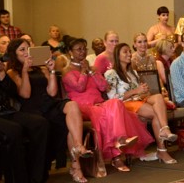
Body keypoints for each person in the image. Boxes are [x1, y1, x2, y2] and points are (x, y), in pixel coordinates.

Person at [6, 38, 92, 183]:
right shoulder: (12, 72)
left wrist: (51, 70)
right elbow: (25, 94)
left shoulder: (42, 68)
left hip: (49, 103)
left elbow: (52, 92)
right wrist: (25, 71)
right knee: (66, 125)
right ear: (14, 54)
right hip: (31, 108)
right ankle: (76, 167)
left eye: (28, 49)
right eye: (22, 50)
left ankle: (78, 146)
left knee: (72, 105)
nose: (26, 52)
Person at [62, 38, 154, 172]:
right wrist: (83, 71)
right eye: (79, 49)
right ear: (71, 52)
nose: (82, 52)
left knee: (116, 103)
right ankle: (116, 158)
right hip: (81, 107)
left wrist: (91, 72)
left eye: (84, 49)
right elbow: (80, 87)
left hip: (98, 104)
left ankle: (120, 140)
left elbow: (103, 86)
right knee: (107, 115)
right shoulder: (67, 70)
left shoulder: (92, 69)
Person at [104, 43, 178, 165]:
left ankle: (165, 129)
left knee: (158, 97)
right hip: (124, 104)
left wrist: (144, 91)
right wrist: (135, 91)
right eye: (125, 52)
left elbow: (140, 93)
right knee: (157, 113)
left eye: (129, 51)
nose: (129, 54)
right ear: (117, 55)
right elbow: (112, 98)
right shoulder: (111, 73)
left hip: (138, 100)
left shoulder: (133, 72)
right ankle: (162, 149)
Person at [0, 56, 49, 183]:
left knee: (40, 123)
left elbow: (12, 93)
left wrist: (2, 73)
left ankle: (36, 179)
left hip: (6, 111)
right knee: (14, 130)